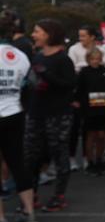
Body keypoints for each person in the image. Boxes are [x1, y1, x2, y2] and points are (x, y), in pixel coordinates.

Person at [24, 19, 77, 212]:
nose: (33, 35)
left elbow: (70, 85)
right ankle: (32, 196)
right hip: (35, 114)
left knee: (59, 154)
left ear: (48, 34)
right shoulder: (37, 57)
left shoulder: (63, 59)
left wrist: (46, 75)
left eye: (37, 31)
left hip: (58, 116)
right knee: (31, 156)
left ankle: (59, 196)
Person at [0, 8, 39, 222]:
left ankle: (1, 220)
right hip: (15, 113)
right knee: (18, 163)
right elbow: (31, 83)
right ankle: (29, 212)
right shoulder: (21, 56)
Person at [74, 47, 105, 175]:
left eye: (97, 59)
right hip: (88, 108)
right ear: (88, 59)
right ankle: (89, 162)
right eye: (92, 59)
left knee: (102, 135)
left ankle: (99, 160)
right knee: (90, 135)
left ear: (101, 59)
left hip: (103, 107)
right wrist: (77, 102)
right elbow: (78, 90)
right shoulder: (84, 72)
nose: (95, 61)